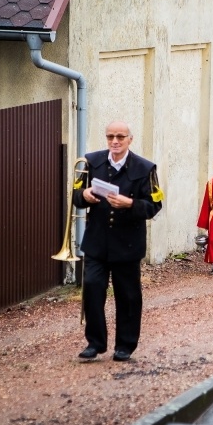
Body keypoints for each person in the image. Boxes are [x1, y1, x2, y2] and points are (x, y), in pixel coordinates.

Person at [73, 121, 163, 361]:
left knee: (128, 296)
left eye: (120, 137)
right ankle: (95, 343)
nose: (115, 141)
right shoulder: (91, 162)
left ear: (130, 139)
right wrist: (84, 195)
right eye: (110, 136)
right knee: (92, 289)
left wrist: (131, 204)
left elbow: (155, 205)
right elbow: (75, 196)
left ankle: (125, 345)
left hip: (128, 245)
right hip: (97, 242)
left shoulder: (145, 168)